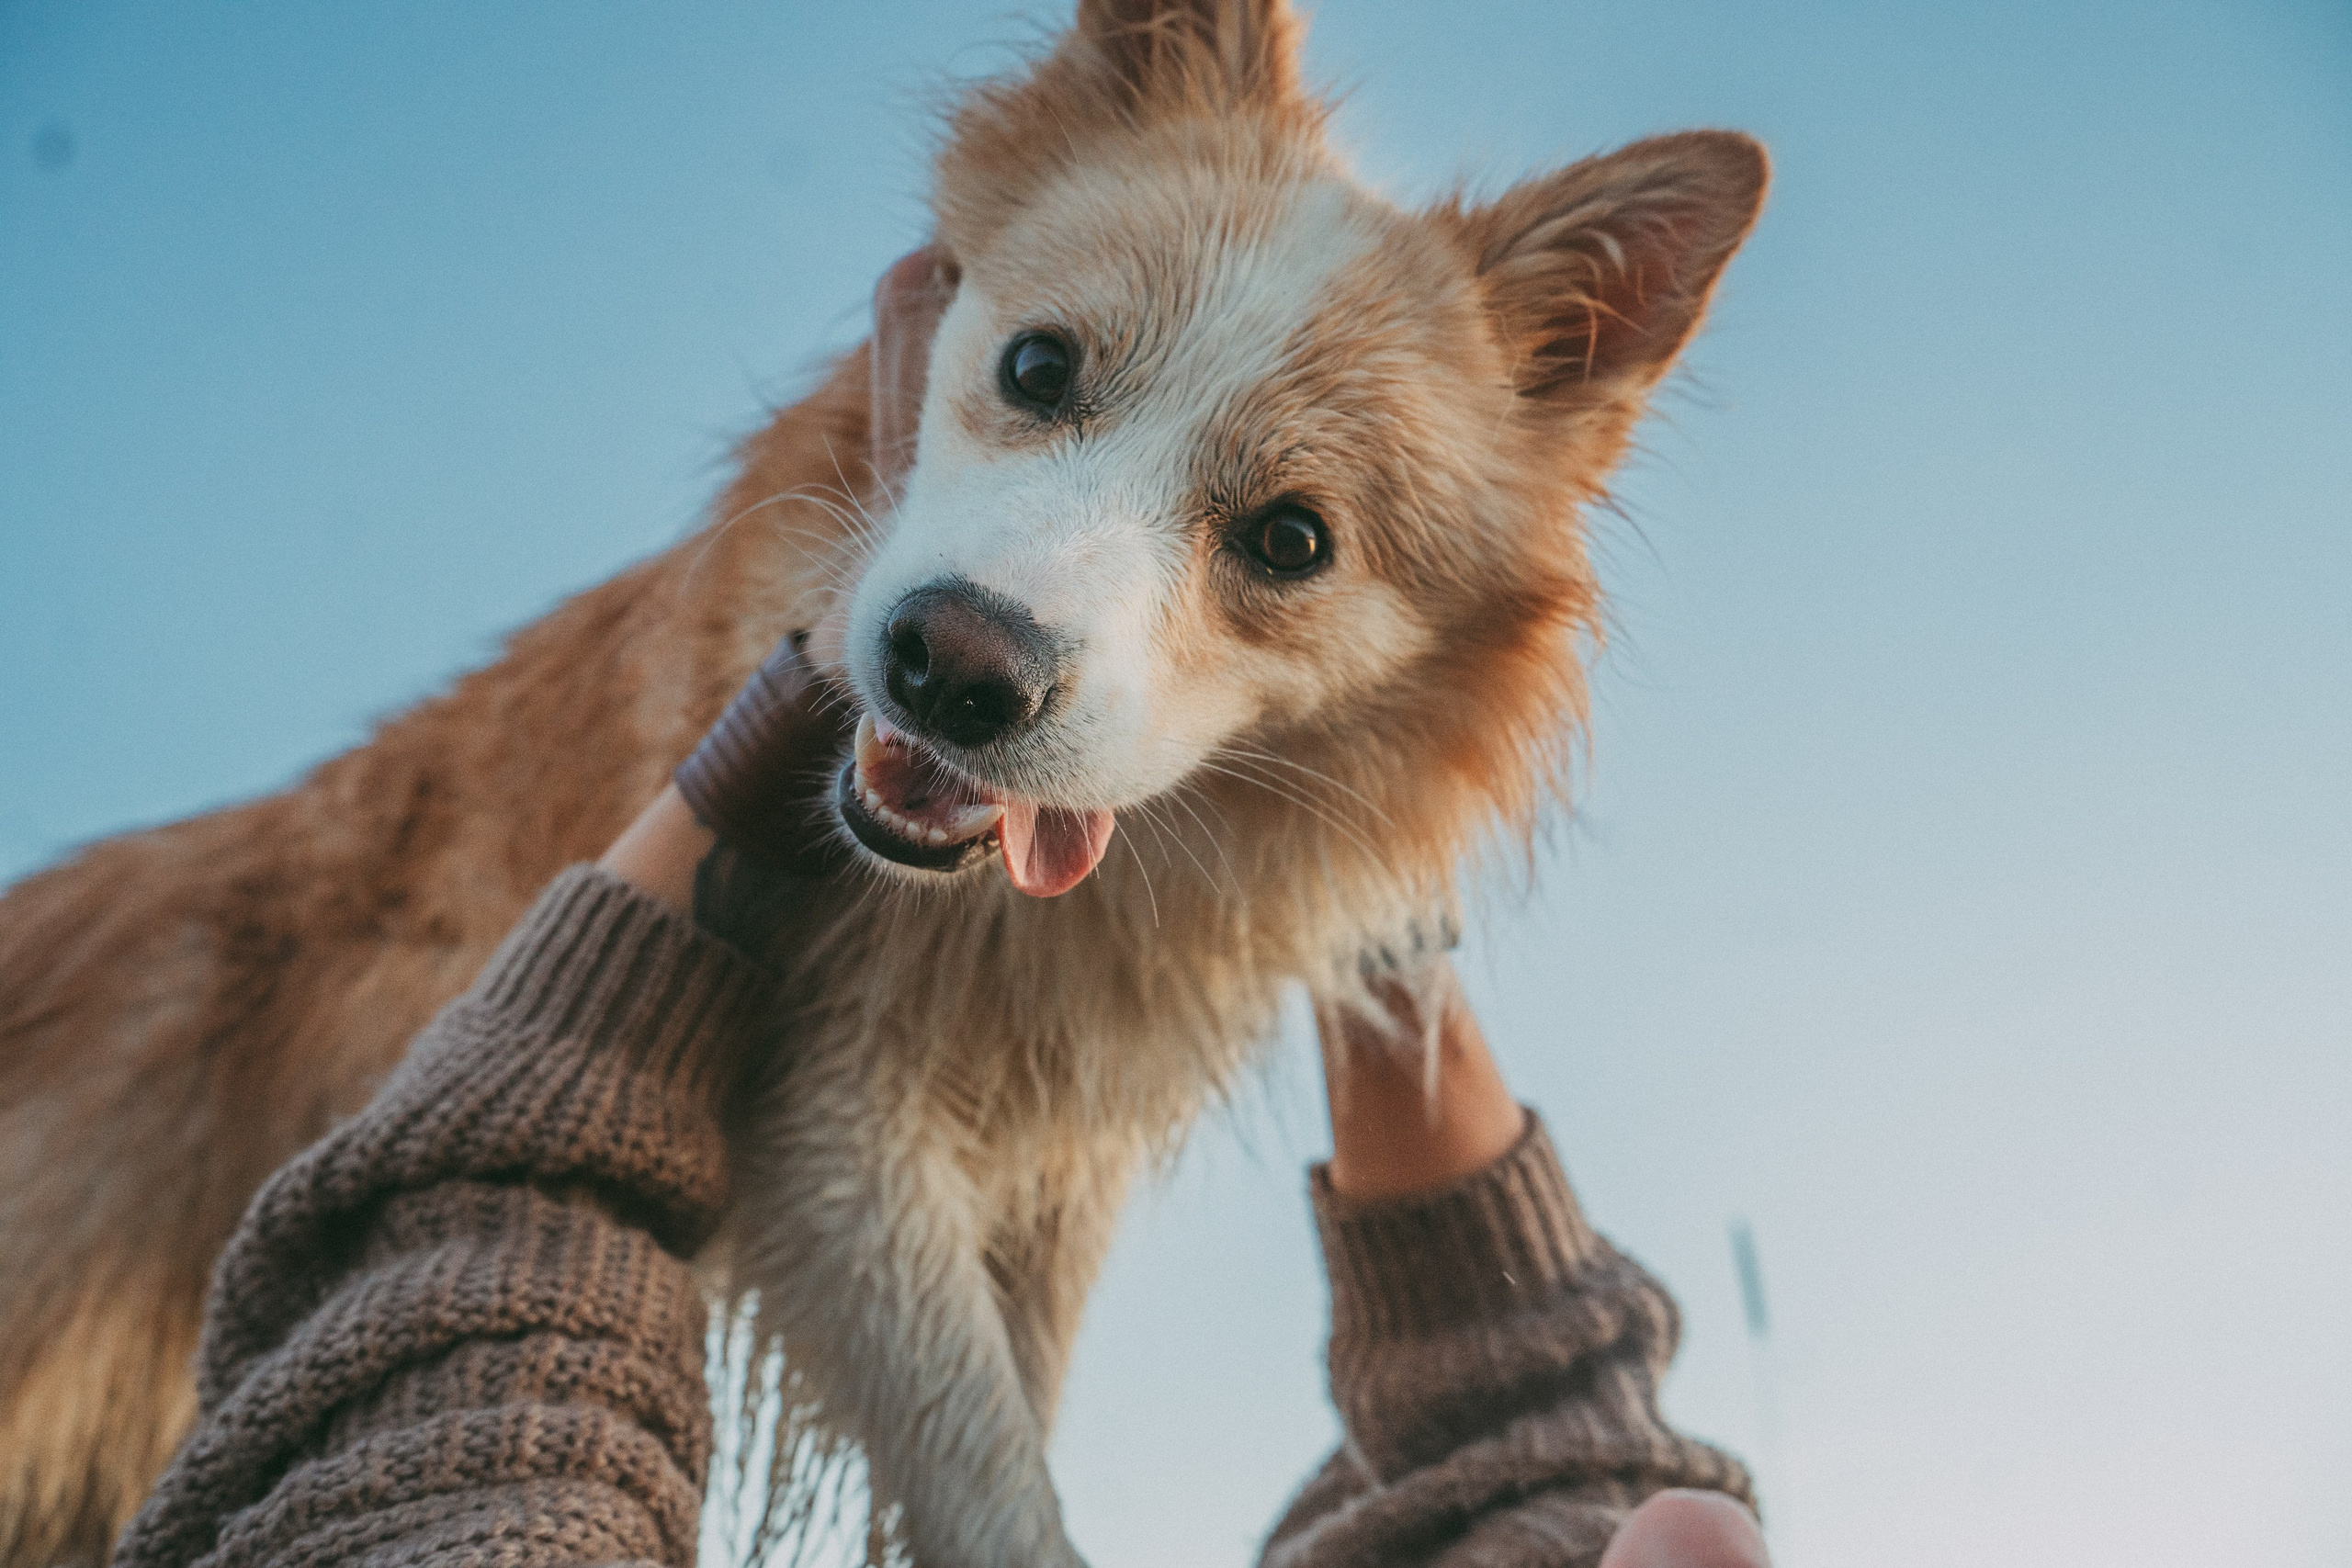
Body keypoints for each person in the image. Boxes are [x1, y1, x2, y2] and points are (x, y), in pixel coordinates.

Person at [107, 254, 1770, 1568]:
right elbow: (1553, 1450)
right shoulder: (1591, 1496)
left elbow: (475, 1381)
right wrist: (1378, 887)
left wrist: (764, 734)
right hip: (199, 989)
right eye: (1042, 375)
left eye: (1283, 534)